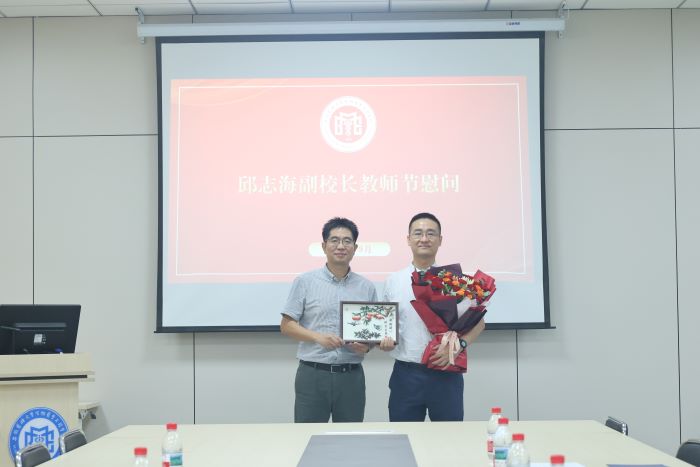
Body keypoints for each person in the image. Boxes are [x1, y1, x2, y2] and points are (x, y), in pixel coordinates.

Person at [379, 212, 486, 421]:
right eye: (418, 233)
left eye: (431, 233)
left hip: (446, 373)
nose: (424, 239)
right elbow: (386, 327)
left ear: (440, 240)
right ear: (408, 239)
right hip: (406, 374)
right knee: (404, 436)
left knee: (449, 437)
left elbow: (479, 323)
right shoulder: (394, 281)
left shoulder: (454, 280)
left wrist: (461, 345)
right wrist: (384, 342)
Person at [280, 217, 377, 423]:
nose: (341, 246)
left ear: (355, 248)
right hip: (313, 374)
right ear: (324, 246)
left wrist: (367, 347)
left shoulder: (366, 287)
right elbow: (287, 325)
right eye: (334, 240)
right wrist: (318, 337)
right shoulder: (305, 281)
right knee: (307, 436)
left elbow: (372, 333)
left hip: (351, 376)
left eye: (347, 241)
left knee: (350, 437)